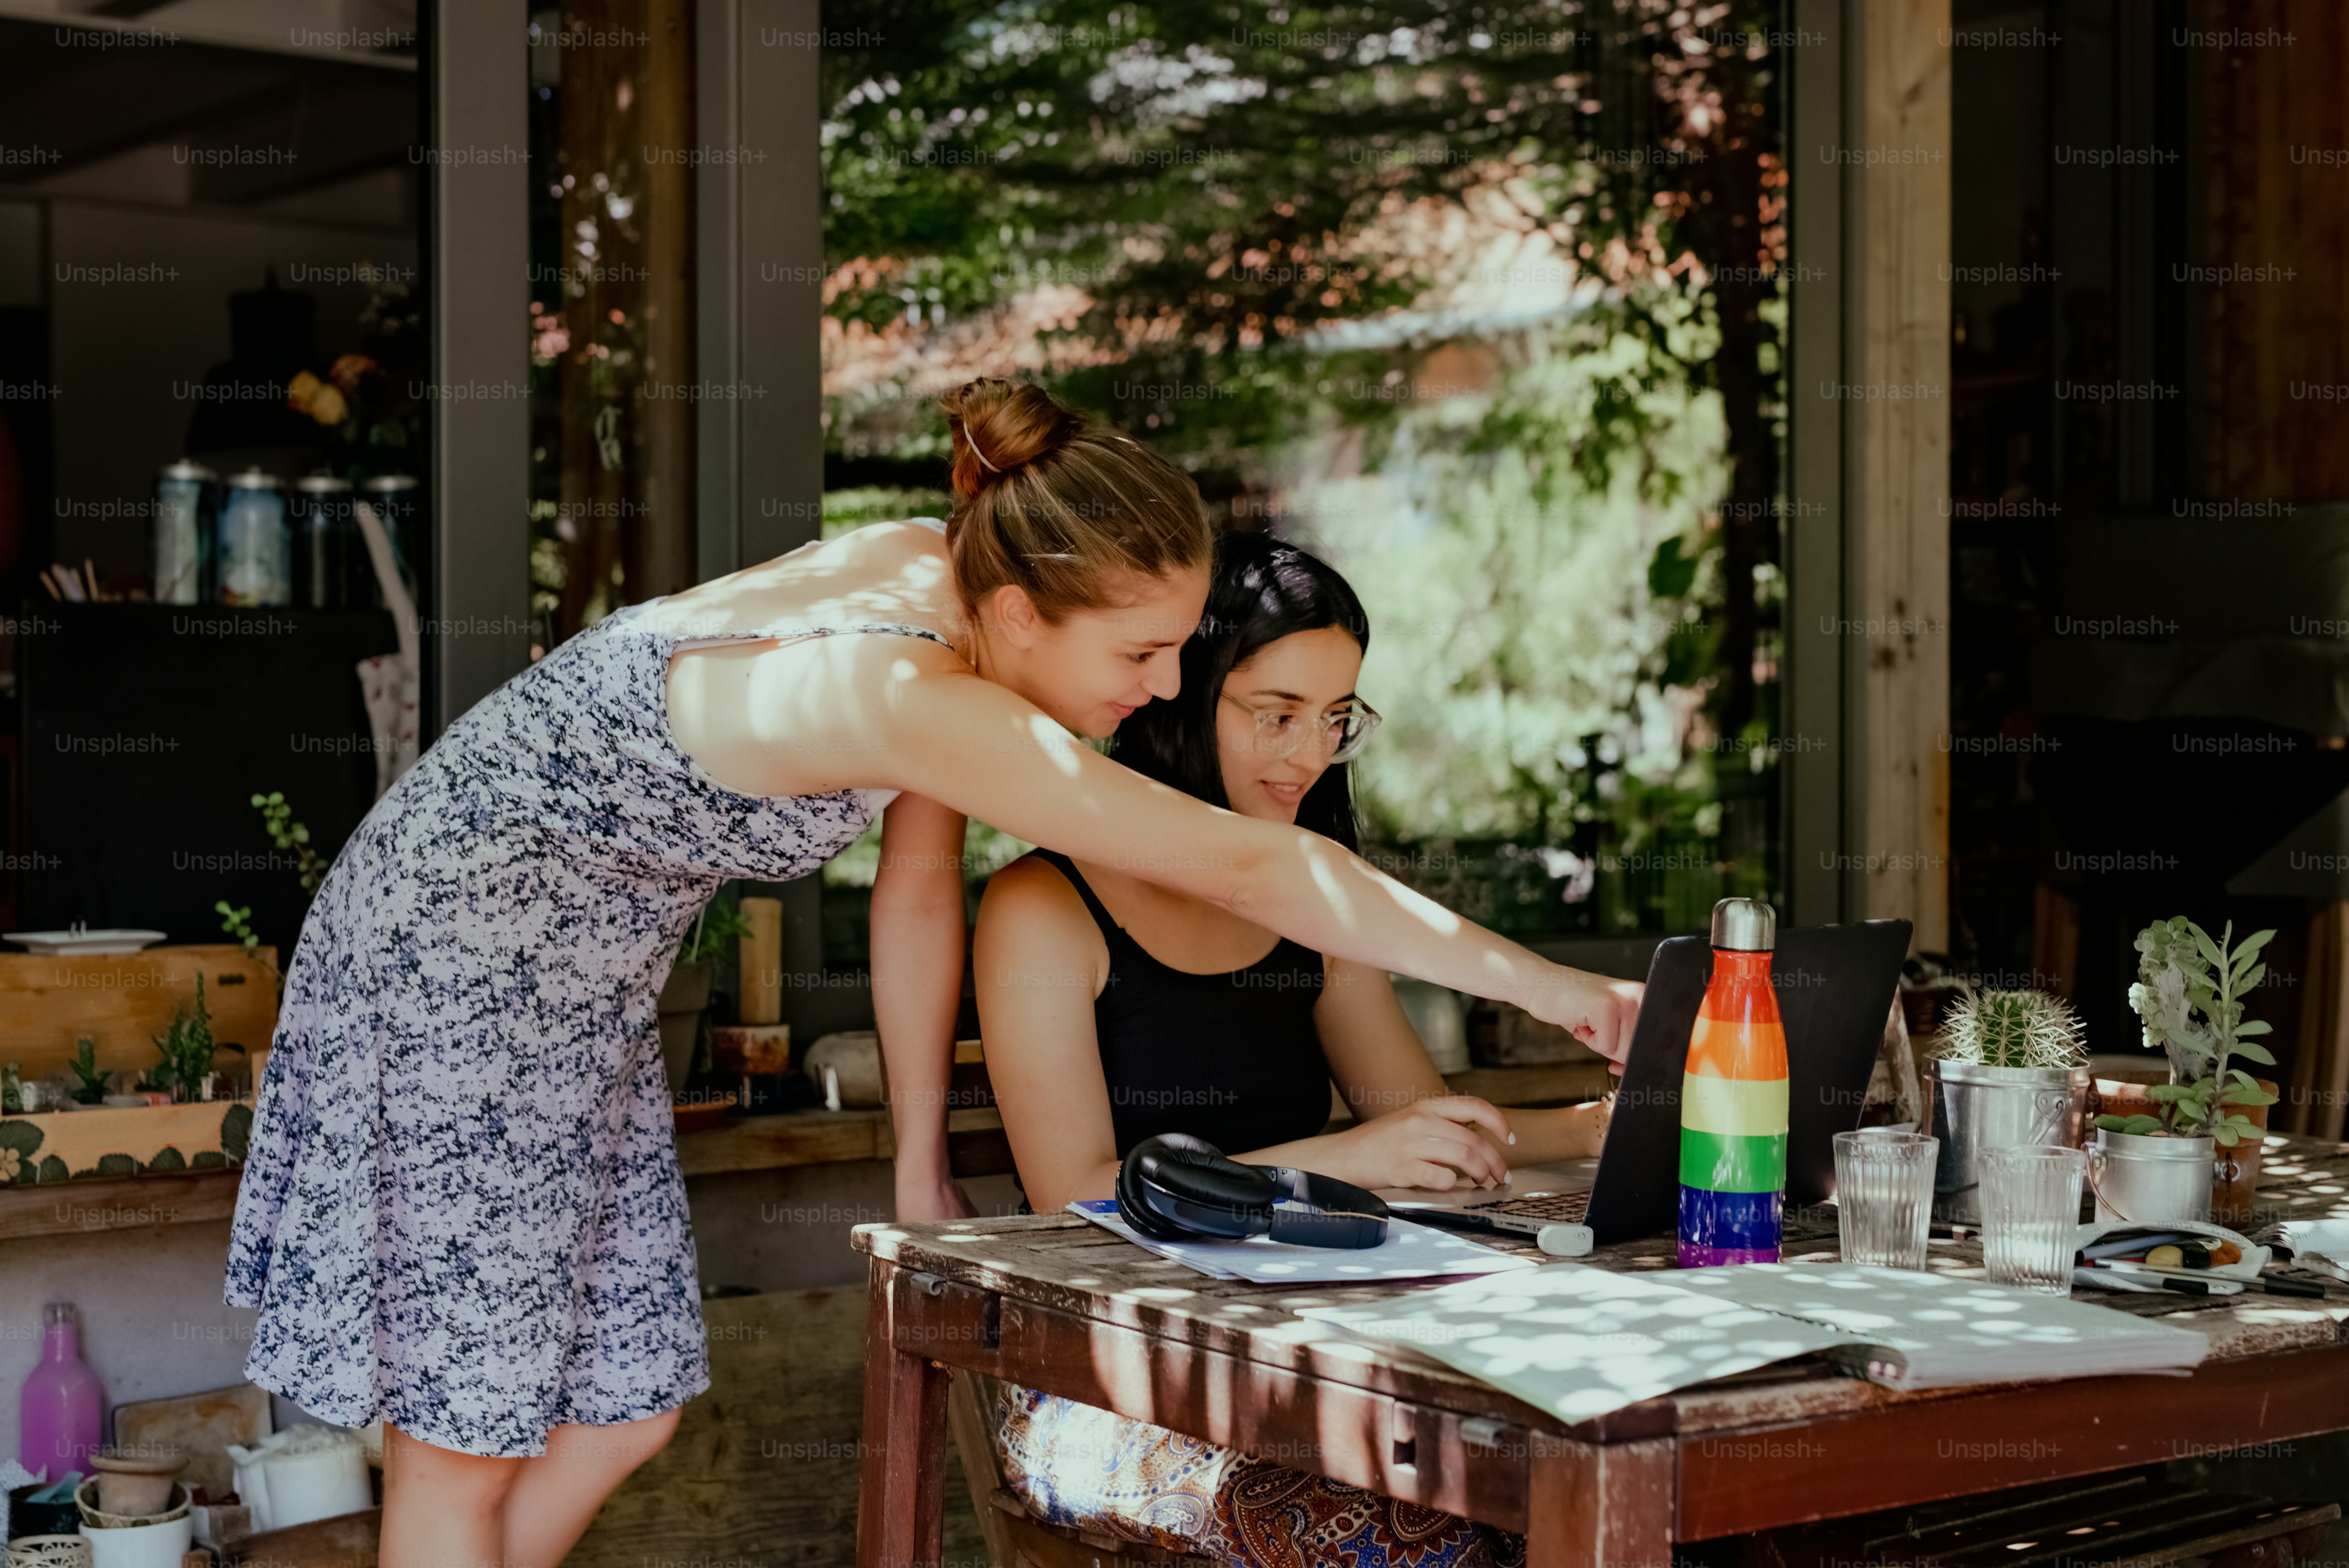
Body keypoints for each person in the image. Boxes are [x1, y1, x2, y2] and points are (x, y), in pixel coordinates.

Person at [223, 379, 1640, 1568]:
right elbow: (1255, 868)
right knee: (461, 1446)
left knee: (624, 1409)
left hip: (574, 982)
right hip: (451, 958)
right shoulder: (908, 691)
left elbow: (914, 896)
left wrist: (914, 1163)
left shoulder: (941, 576)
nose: (1161, 685)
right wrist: (1561, 990)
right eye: (1140, 649)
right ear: (1023, 616)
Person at [972, 534, 1619, 1566]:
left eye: (1333, 718)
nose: (1308, 755)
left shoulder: (1316, 905)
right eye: (1274, 714)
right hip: (1108, 1372)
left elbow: (1423, 1126)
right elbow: (1074, 1195)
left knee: (1610, 1473)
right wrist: (1346, 1159)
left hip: (1324, 1348)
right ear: (1181, 692)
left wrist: (1604, 1127)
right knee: (1447, 1516)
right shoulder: (1044, 906)